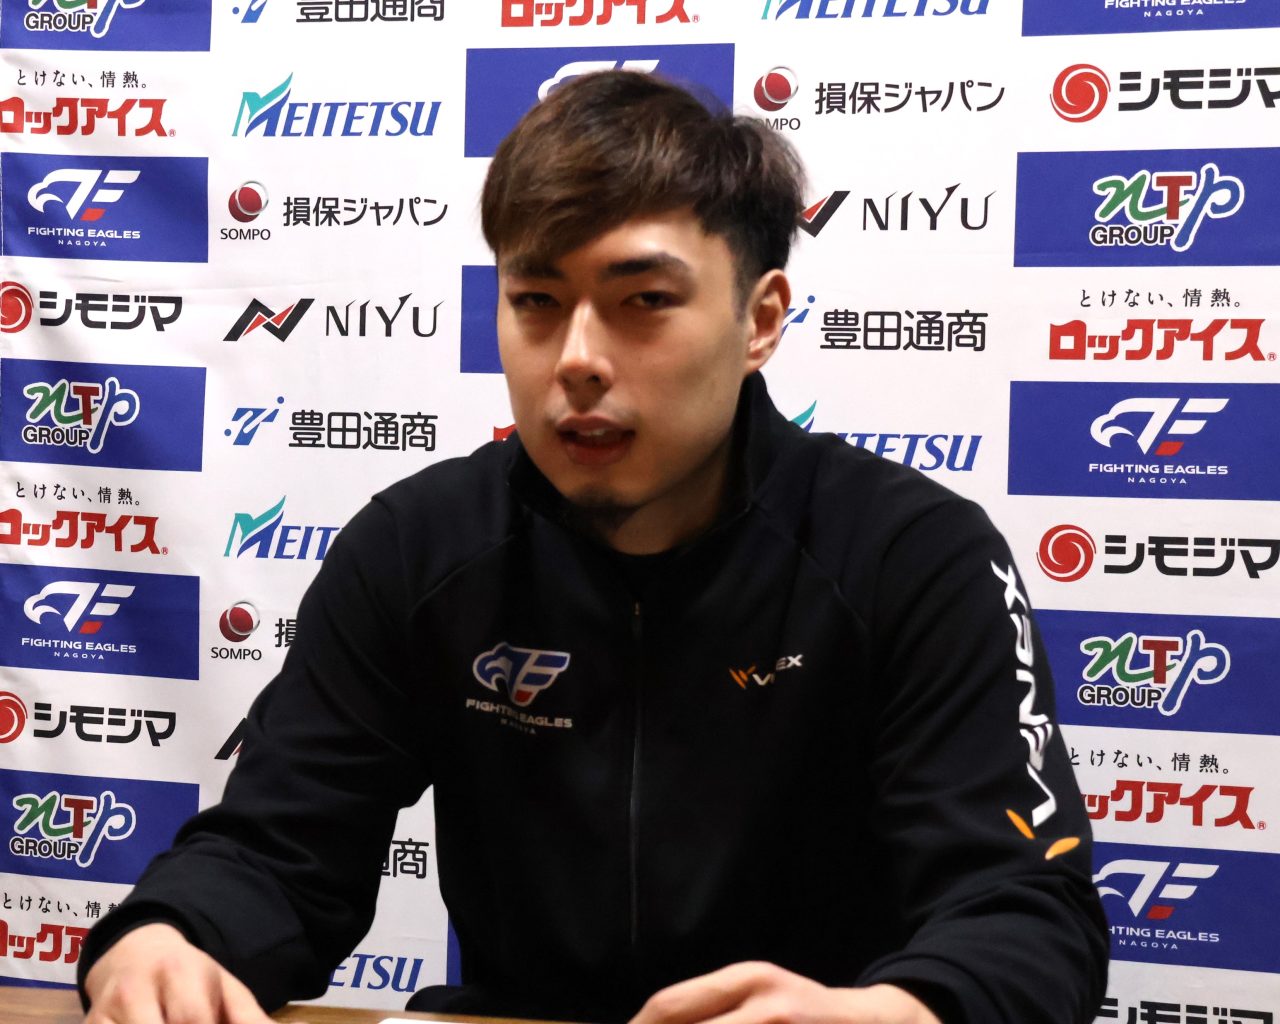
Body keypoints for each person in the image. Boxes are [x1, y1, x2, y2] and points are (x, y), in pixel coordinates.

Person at [78, 70, 1108, 1024]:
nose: (575, 358)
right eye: (535, 301)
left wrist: (903, 1010)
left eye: (642, 301)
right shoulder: (416, 548)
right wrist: (170, 936)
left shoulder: (911, 555)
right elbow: (276, 851)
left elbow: (1024, 911)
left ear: (759, 320)